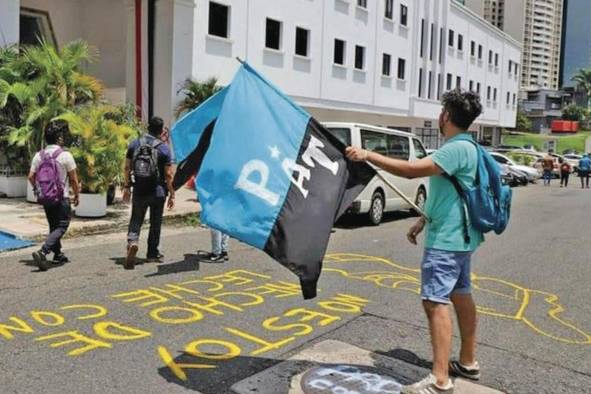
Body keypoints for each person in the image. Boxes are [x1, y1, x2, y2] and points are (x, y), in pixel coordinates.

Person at [346, 89, 484, 394]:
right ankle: (468, 361)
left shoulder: (454, 149)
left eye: (441, 110)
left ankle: (439, 379)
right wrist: (423, 220)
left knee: (435, 302)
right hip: (460, 237)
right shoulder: (469, 147)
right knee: (461, 295)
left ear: (446, 115)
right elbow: (451, 193)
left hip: (446, 241)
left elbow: (410, 171)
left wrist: (368, 155)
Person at [123, 117, 175, 269]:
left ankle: (132, 242)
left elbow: (127, 168)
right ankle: (152, 253)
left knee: (136, 220)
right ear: (161, 130)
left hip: (139, 190)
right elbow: (169, 175)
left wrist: (127, 186)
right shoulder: (164, 148)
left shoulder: (135, 144)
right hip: (158, 192)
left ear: (147, 127)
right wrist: (172, 193)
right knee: (155, 223)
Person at [28, 120, 80, 271]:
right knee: (62, 225)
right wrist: (76, 195)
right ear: (59, 138)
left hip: (46, 198)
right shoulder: (65, 155)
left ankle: (57, 255)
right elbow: (74, 180)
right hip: (61, 197)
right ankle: (43, 251)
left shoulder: (39, 155)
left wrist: (38, 191)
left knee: (53, 226)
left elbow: (31, 176)